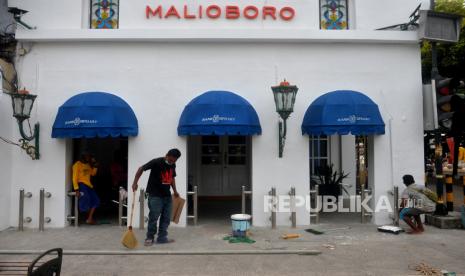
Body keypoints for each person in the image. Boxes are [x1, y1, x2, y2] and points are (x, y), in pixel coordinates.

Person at [132, 148, 181, 246]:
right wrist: (135, 183)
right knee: (154, 217)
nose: (172, 162)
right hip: (155, 195)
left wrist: (175, 191)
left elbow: (172, 178)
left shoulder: (173, 165)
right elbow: (141, 168)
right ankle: (149, 238)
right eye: (171, 160)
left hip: (167, 195)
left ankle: (162, 238)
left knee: (166, 218)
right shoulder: (156, 162)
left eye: (174, 161)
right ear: (167, 155)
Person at [72, 151, 100, 225]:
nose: (89, 158)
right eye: (87, 156)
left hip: (89, 186)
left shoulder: (87, 165)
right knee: (85, 202)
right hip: (81, 185)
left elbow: (93, 174)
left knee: (96, 201)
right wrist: (76, 189)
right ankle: (79, 219)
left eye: (89, 156)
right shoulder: (77, 165)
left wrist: (95, 166)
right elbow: (74, 178)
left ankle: (89, 219)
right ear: (83, 156)